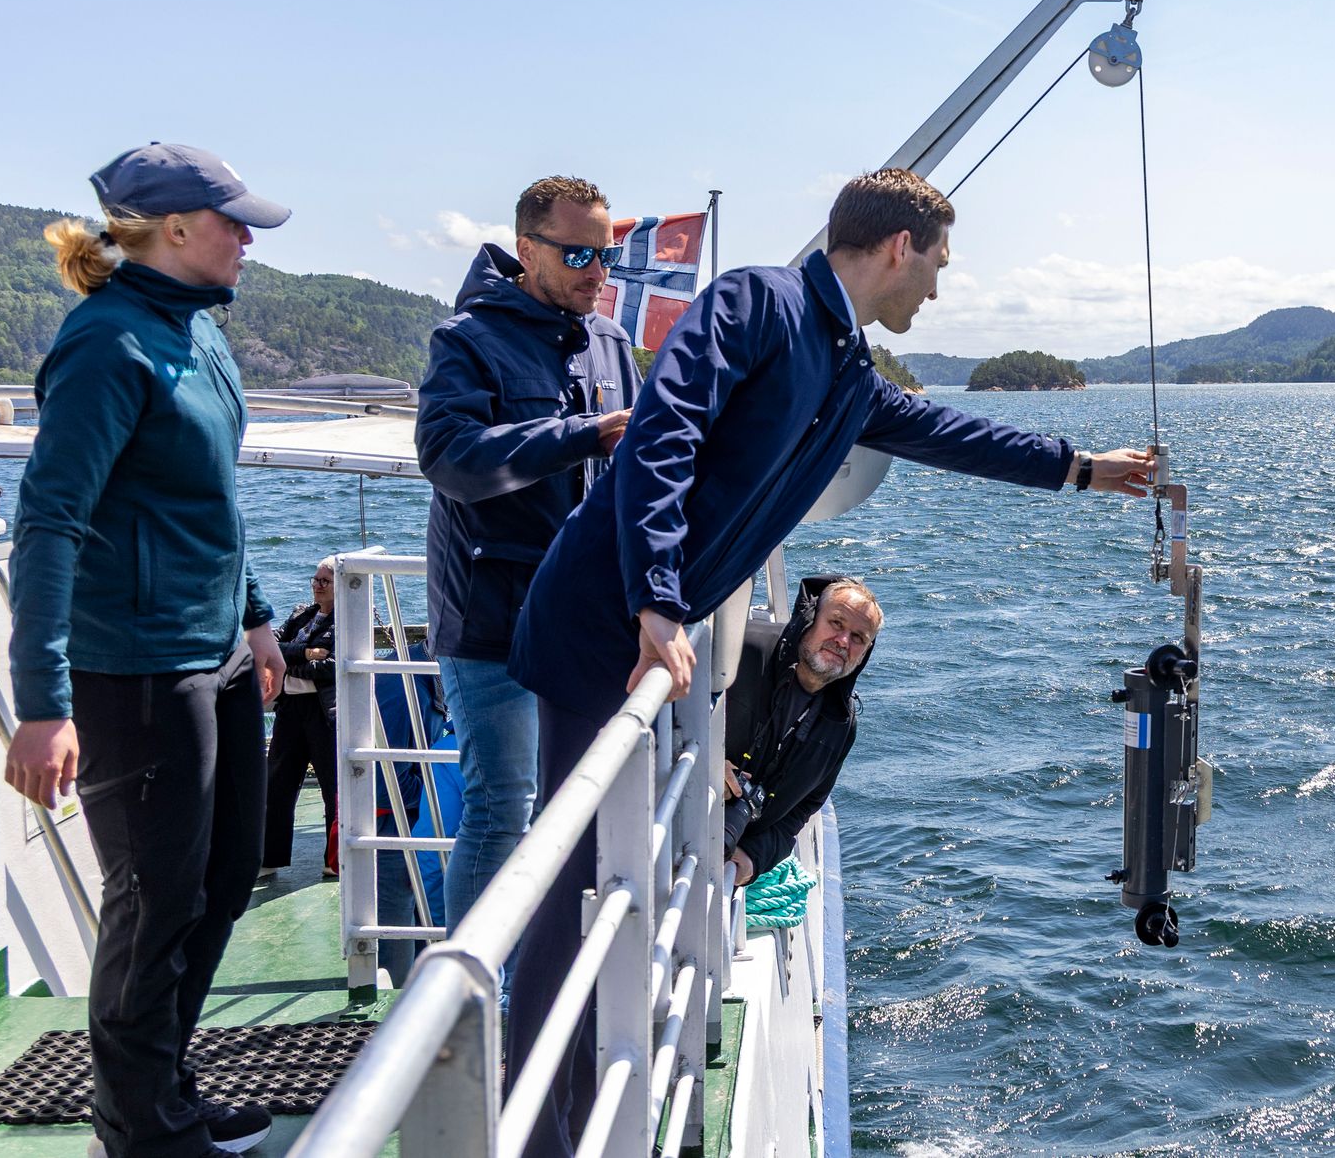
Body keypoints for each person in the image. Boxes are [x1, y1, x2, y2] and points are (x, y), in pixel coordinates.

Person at [503, 167, 1153, 1157]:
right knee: (570, 886)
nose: (935, 288)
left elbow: (947, 432)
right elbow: (662, 439)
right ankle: (537, 1126)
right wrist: (657, 598)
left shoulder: (846, 371)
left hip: (651, 636)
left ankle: (587, 1090)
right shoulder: (756, 305)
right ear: (900, 245)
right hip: (608, 620)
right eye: (936, 264)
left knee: (611, 873)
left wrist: (1078, 468)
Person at [2, 142, 291, 1158]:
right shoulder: (107, 345)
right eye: (233, 222)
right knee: (154, 899)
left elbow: (207, 501)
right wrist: (43, 700)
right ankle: (138, 1131)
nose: (248, 240)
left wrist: (255, 614)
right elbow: (50, 522)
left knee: (218, 886)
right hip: (135, 670)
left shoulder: (196, 337)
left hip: (213, 654)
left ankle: (166, 1086)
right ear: (173, 229)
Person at [414, 175, 641, 932]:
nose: (596, 272)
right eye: (577, 253)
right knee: (500, 807)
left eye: (606, 255)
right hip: (493, 624)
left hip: (585, 620)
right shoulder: (468, 340)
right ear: (525, 250)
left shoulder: (609, 342)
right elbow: (450, 458)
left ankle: (555, 979)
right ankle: (475, 1008)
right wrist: (581, 433)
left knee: (583, 803)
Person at [722, 576, 882, 885]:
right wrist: (707, 764)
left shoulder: (841, 725)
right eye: (836, 623)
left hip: (723, 865)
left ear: (864, 654)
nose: (843, 641)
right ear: (809, 618)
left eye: (858, 637)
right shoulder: (742, 649)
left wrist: (754, 858)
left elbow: (800, 812)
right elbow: (662, 713)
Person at [261, 557, 338, 880]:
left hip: (322, 714)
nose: (317, 585)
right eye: (315, 579)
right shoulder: (300, 615)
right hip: (290, 709)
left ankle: (334, 859)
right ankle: (269, 857)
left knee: (332, 785)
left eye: (325, 581)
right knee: (277, 783)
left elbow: (328, 667)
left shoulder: (346, 621)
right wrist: (304, 653)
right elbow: (272, 648)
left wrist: (286, 661)